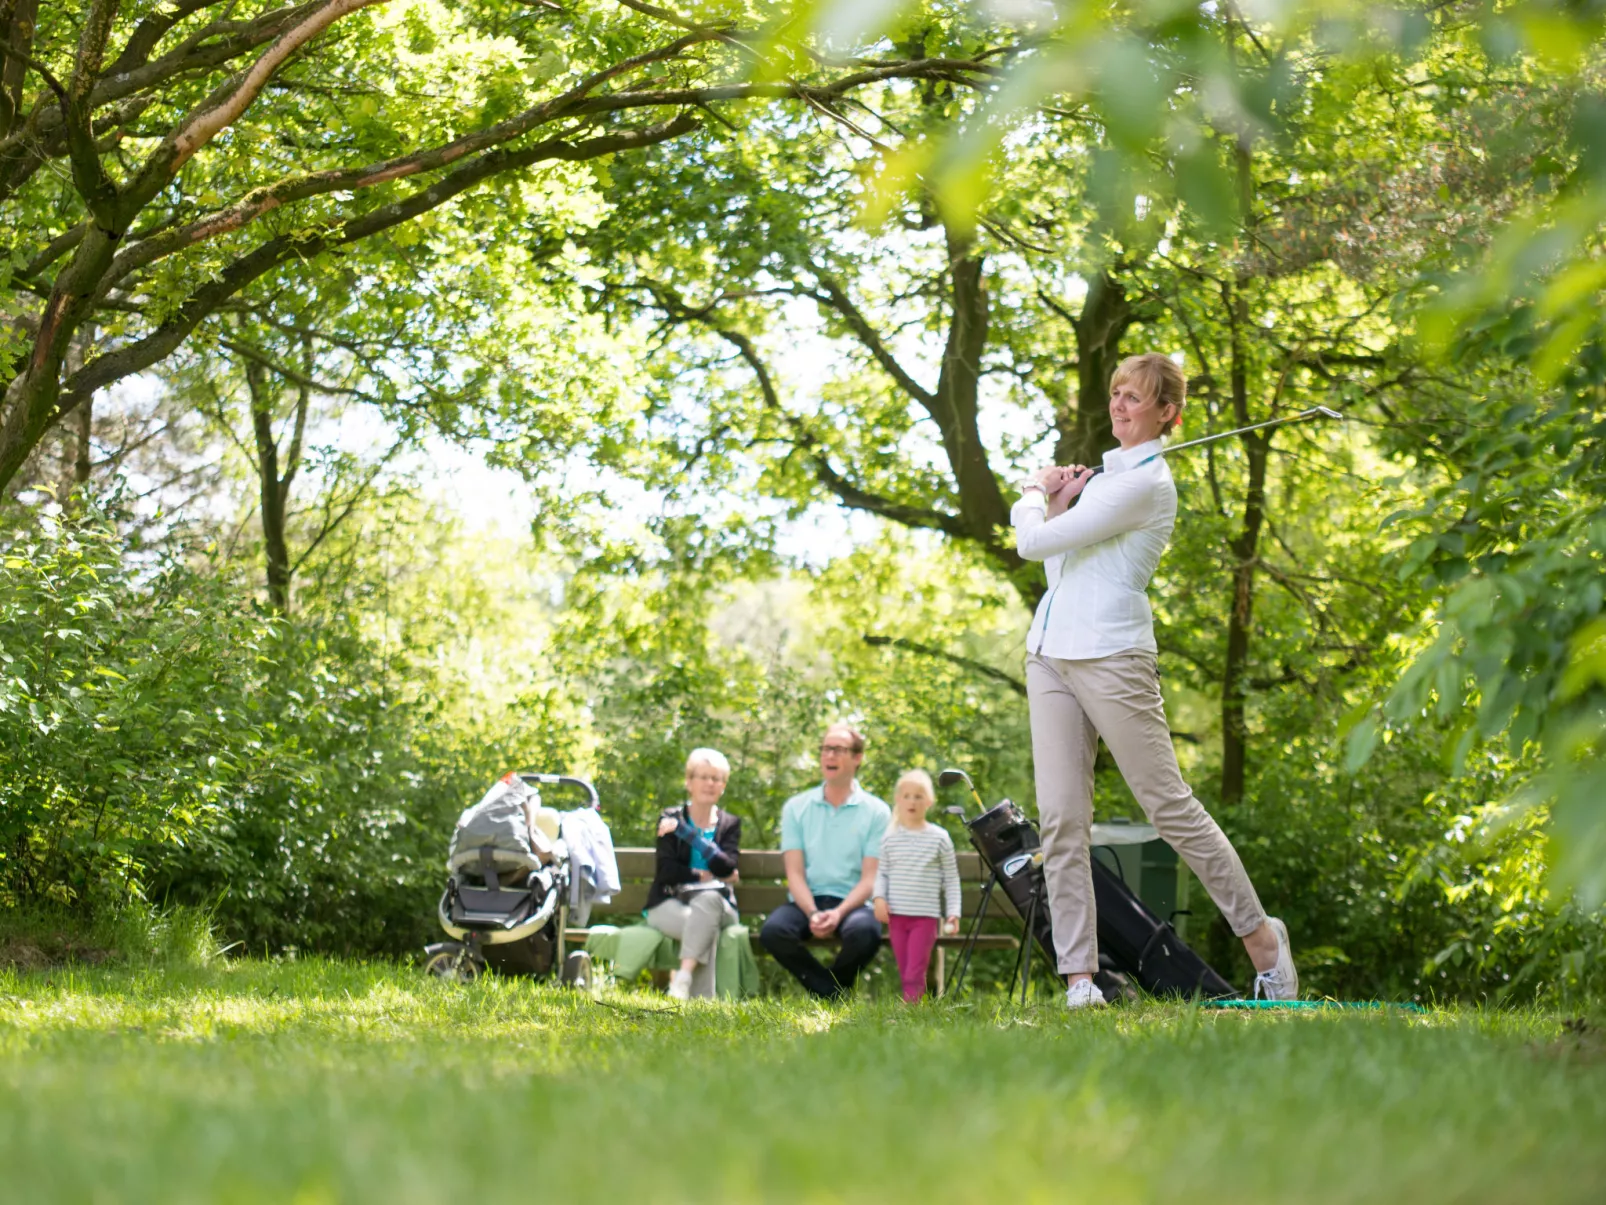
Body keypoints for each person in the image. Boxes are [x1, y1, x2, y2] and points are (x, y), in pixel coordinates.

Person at [1013, 352, 1299, 1009]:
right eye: (1115, 393)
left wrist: (1032, 493)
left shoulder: (1142, 485)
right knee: (1060, 818)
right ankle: (1080, 978)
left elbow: (1028, 544)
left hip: (1114, 657)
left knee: (1167, 804)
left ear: (1166, 413)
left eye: (1135, 397)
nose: (1119, 405)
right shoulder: (1109, 482)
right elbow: (1060, 568)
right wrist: (1059, 507)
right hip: (1049, 653)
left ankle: (1264, 944)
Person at [759, 724, 891, 1001]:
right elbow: (794, 874)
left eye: (839, 750)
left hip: (854, 905)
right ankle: (830, 993)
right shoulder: (796, 807)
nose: (829, 755)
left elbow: (870, 879)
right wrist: (811, 913)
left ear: (857, 758)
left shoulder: (877, 811)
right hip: (807, 901)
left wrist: (839, 913)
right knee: (774, 931)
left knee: (866, 932)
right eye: (825, 749)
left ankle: (827, 992)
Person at [645, 748, 742, 1000]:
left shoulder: (730, 824)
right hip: (668, 904)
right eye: (703, 777)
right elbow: (666, 872)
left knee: (708, 904)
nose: (710, 783)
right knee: (704, 925)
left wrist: (687, 834)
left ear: (723, 785)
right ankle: (701, 1003)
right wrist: (703, 876)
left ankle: (682, 978)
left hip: (720, 908)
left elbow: (726, 867)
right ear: (689, 782)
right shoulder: (669, 817)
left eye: (717, 778)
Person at [872, 769, 962, 1003]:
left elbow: (951, 879)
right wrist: (878, 898)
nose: (912, 801)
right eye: (907, 796)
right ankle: (913, 1007)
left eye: (918, 796)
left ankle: (910, 1009)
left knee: (915, 969)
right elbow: (882, 873)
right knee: (904, 967)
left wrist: (953, 912)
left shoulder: (940, 838)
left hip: (925, 917)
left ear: (929, 802)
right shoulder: (890, 837)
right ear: (898, 800)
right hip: (897, 917)